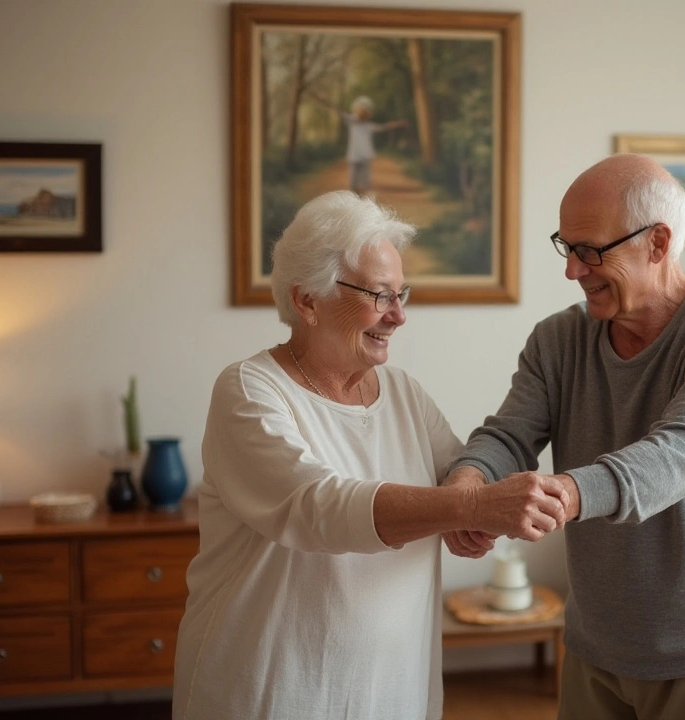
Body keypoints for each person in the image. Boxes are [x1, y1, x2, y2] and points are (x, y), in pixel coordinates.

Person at [173, 190, 569, 720]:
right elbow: (317, 508)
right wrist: (470, 509)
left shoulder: (403, 392)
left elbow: (459, 481)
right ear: (307, 300)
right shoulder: (250, 390)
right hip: (272, 690)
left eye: (402, 293)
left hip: (390, 689)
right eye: (380, 295)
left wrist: (471, 507)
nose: (399, 316)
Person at [441, 154, 685, 719]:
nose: (572, 270)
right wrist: (467, 493)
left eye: (591, 251)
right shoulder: (557, 340)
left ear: (657, 243)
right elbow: (508, 435)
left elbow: (674, 456)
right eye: (567, 246)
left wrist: (555, 495)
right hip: (597, 650)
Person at [342, 95, 406, 196]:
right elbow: (345, 116)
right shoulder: (352, 121)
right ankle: (353, 195)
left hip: (365, 154)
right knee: (353, 178)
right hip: (354, 154)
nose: (363, 112)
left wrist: (397, 124)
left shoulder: (368, 126)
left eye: (366, 110)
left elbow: (383, 127)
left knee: (365, 178)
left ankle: (364, 195)